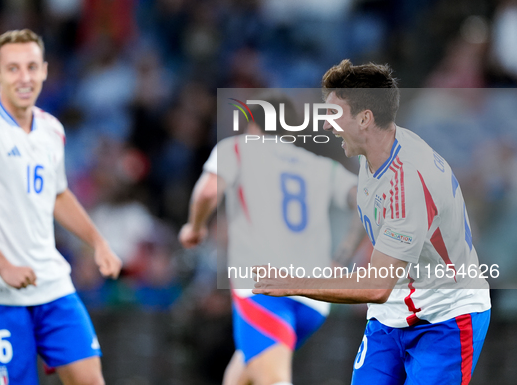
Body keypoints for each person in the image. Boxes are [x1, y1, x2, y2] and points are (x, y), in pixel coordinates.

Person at [253, 60, 491, 385]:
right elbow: (373, 220)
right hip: (392, 313)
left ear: (365, 119)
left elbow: (375, 287)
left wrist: (292, 284)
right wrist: (341, 260)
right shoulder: (376, 151)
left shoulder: (407, 182)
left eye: (334, 115)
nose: (326, 126)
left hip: (446, 317)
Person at [0, 29, 122, 385]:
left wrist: (98, 242)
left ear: (44, 71)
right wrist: (3, 264)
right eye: (13, 68)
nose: (24, 77)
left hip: (51, 282)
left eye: (31, 67)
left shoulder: (52, 129)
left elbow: (57, 195)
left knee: (90, 379)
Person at [179, 93, 361, 385]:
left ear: (252, 124)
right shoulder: (318, 165)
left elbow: (208, 192)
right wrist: (342, 256)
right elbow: (370, 199)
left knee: (272, 379)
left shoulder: (237, 150)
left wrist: (194, 226)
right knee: (242, 373)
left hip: (265, 289)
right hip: (315, 298)